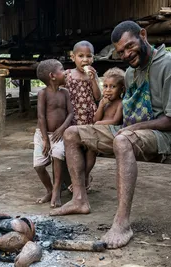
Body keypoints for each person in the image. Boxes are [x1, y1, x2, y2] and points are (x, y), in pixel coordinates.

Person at [50, 21, 171, 250]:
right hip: (130, 130)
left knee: (122, 140)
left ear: (143, 35)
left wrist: (132, 129)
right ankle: (79, 199)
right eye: (121, 51)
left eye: (129, 46)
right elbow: (127, 113)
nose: (126, 54)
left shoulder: (170, 65)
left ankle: (122, 223)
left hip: (166, 134)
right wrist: (112, 119)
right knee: (72, 133)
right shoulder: (132, 72)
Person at [33, 59, 73, 208]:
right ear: (52, 76)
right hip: (42, 134)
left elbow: (71, 113)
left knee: (58, 156)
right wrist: (45, 139)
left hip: (60, 134)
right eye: (62, 69)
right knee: (38, 166)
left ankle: (56, 190)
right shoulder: (43, 94)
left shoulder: (65, 93)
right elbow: (41, 117)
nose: (65, 72)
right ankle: (49, 189)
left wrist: (62, 129)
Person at [65, 40, 101, 192]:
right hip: (73, 117)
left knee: (90, 149)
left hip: (89, 117)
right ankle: (78, 179)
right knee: (75, 149)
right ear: (73, 57)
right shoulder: (67, 74)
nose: (85, 60)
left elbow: (98, 97)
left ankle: (85, 176)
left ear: (93, 58)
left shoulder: (92, 75)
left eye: (89, 56)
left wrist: (93, 80)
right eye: (81, 56)